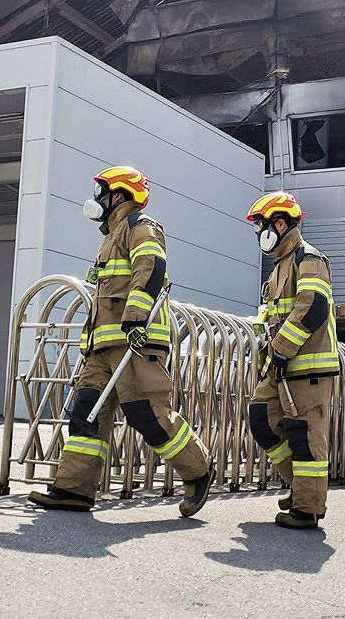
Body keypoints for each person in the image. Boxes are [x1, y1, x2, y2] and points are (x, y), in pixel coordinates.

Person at [29, 167, 212, 516]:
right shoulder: (110, 237)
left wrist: (134, 318)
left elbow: (151, 270)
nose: (97, 199)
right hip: (103, 348)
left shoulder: (141, 228)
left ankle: (199, 470)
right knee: (85, 413)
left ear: (120, 196)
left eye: (103, 192)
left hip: (136, 343)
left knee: (148, 418)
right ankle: (74, 490)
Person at [245, 192, 337, 530]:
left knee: (304, 433)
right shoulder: (280, 268)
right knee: (261, 416)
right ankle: (299, 487)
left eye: (262, 226)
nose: (260, 234)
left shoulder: (308, 259)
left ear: (280, 223)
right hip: (281, 364)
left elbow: (312, 308)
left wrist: (281, 349)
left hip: (307, 366)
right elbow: (273, 317)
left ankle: (307, 508)